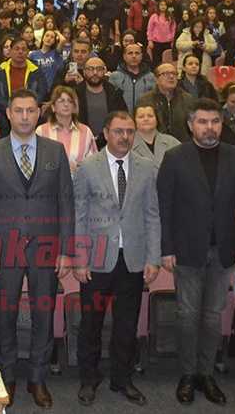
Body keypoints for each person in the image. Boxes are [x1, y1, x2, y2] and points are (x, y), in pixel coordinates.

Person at [0, 89, 73, 408]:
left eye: (31, 111)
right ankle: (7, 377)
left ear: (39, 114)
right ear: (8, 114)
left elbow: (66, 203)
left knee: (44, 314)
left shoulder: (55, 151)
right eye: (19, 111)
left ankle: (38, 378)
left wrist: (65, 250)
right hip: (5, 248)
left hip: (46, 246)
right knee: (6, 314)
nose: (25, 117)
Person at [157, 98, 235, 406]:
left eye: (214, 121)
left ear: (221, 124)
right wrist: (167, 248)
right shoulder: (174, 158)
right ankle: (187, 375)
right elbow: (165, 207)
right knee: (187, 316)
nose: (209, 127)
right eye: (202, 122)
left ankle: (206, 373)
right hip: (186, 250)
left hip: (224, 249)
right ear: (191, 125)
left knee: (213, 317)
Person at [74, 111, 161, 407]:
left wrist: (153, 258)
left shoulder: (148, 168)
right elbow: (80, 216)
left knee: (126, 324)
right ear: (105, 133)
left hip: (133, 259)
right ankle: (89, 379)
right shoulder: (87, 167)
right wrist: (81, 257)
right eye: (119, 131)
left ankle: (122, 379)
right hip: (97, 259)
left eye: (130, 131)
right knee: (91, 324)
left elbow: (152, 215)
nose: (125, 137)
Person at [0, 38, 50, 136]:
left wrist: (28, 108)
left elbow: (42, 91)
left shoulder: (36, 70)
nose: (20, 52)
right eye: (16, 49)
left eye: (23, 49)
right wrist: (9, 109)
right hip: (5, 114)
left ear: (28, 52)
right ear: (11, 51)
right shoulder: (0, 69)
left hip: (30, 114)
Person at [36, 86, 97, 175]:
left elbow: (94, 164)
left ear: (74, 107)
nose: (66, 104)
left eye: (70, 101)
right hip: (50, 185)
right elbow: (36, 164)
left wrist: (80, 168)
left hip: (78, 184)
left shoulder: (86, 132)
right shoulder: (41, 131)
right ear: (53, 107)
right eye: (61, 101)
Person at [137, 63, 195, 142]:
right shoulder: (145, 100)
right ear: (156, 79)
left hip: (183, 146)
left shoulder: (188, 99)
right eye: (166, 74)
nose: (171, 77)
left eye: (174, 74)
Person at [108, 43, 156, 113]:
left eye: (137, 53)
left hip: (144, 118)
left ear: (141, 56)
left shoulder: (151, 77)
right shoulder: (114, 77)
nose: (134, 56)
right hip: (123, 119)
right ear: (124, 56)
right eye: (130, 53)